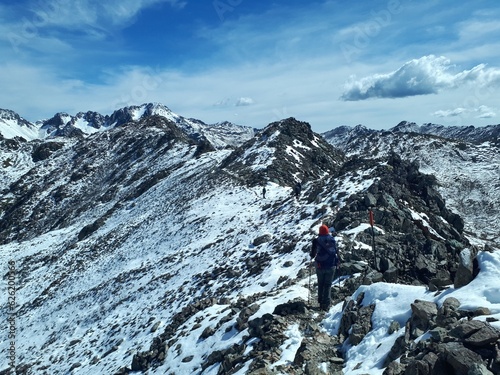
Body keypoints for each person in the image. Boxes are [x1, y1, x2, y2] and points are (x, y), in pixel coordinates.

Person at [310, 224, 339, 311]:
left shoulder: (316, 241)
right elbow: (336, 251)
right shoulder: (332, 240)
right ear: (327, 231)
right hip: (331, 266)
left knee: (321, 284)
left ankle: (320, 302)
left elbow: (312, 254)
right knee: (328, 285)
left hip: (320, 266)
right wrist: (338, 261)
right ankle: (326, 304)